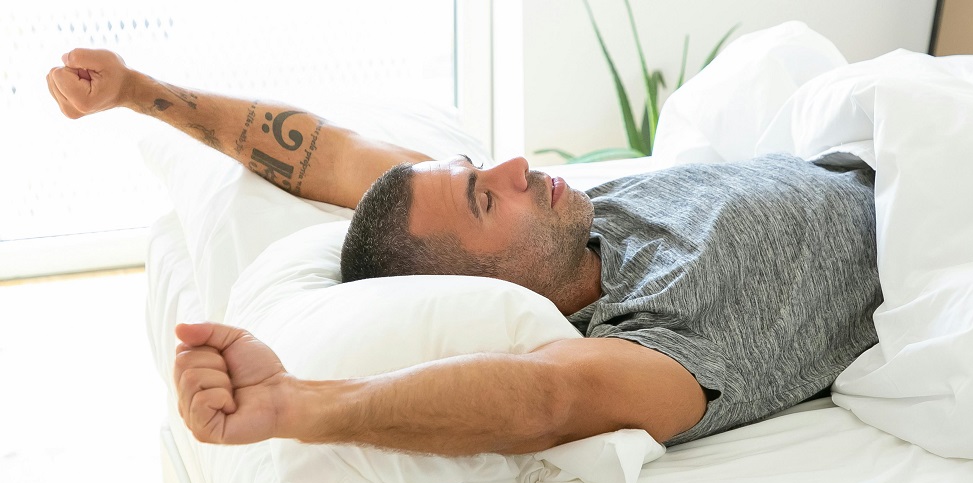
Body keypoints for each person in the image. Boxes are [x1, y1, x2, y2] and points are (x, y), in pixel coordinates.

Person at [47, 48, 880, 457]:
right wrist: (304, 406)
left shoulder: (571, 223)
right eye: (488, 196)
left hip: (876, 142)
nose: (521, 169)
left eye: (485, 174)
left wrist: (138, 93)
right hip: (934, 226)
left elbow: (324, 155)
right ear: (471, 277)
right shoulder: (655, 336)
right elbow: (547, 399)